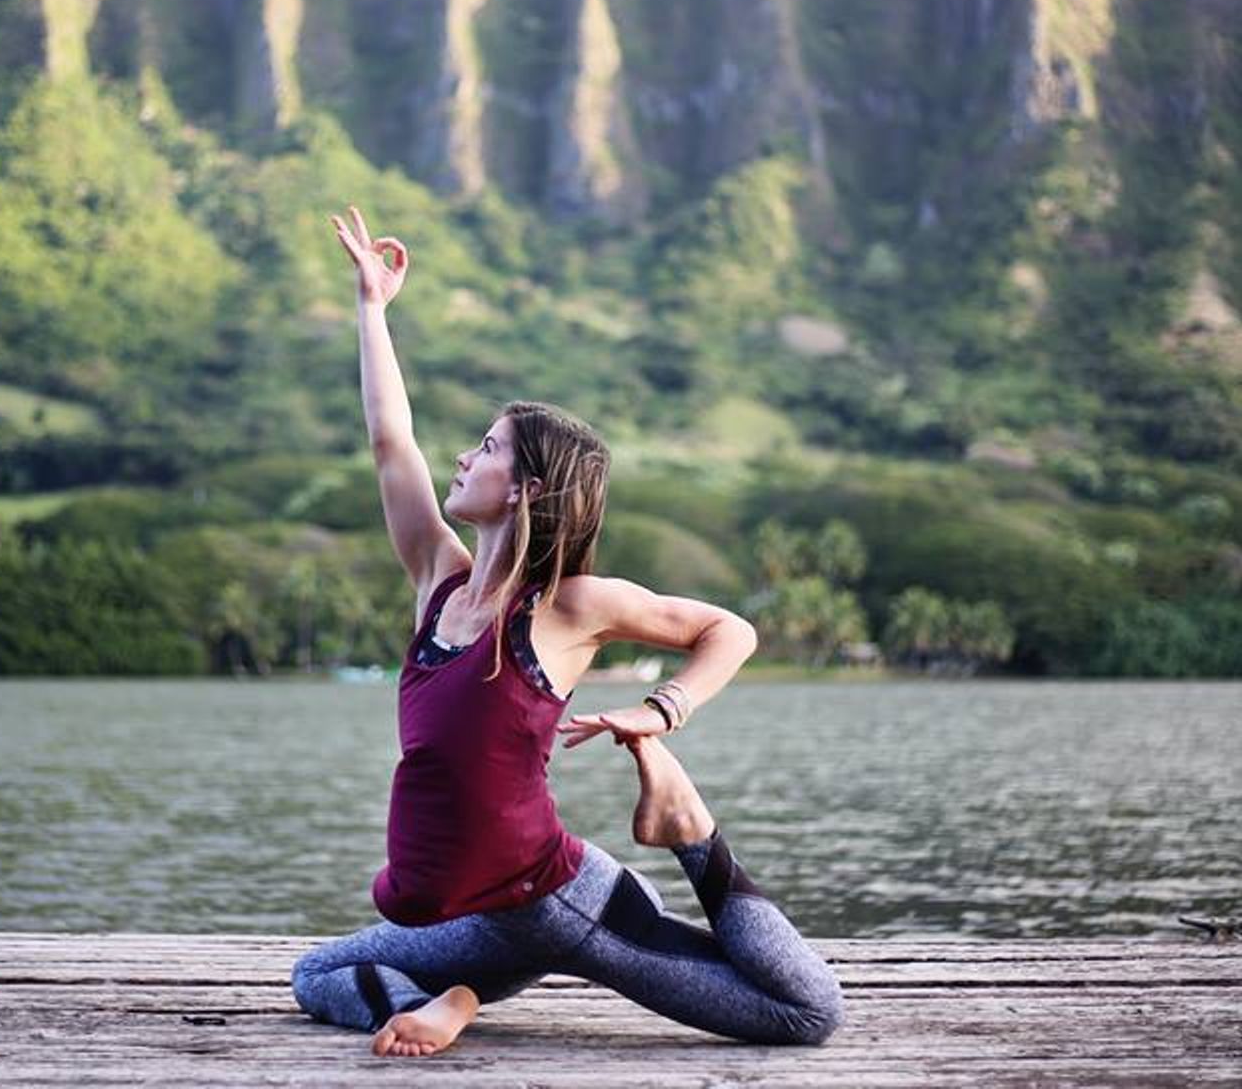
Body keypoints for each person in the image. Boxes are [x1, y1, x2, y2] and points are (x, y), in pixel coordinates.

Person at [290, 207, 843, 1056]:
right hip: (483, 925)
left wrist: (661, 714)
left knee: (803, 1015)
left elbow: (728, 630)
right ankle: (458, 998)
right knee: (316, 973)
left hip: (561, 902)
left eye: (485, 448)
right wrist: (372, 310)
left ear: (527, 491)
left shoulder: (567, 607)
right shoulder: (438, 586)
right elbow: (388, 441)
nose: (462, 461)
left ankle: (692, 832)